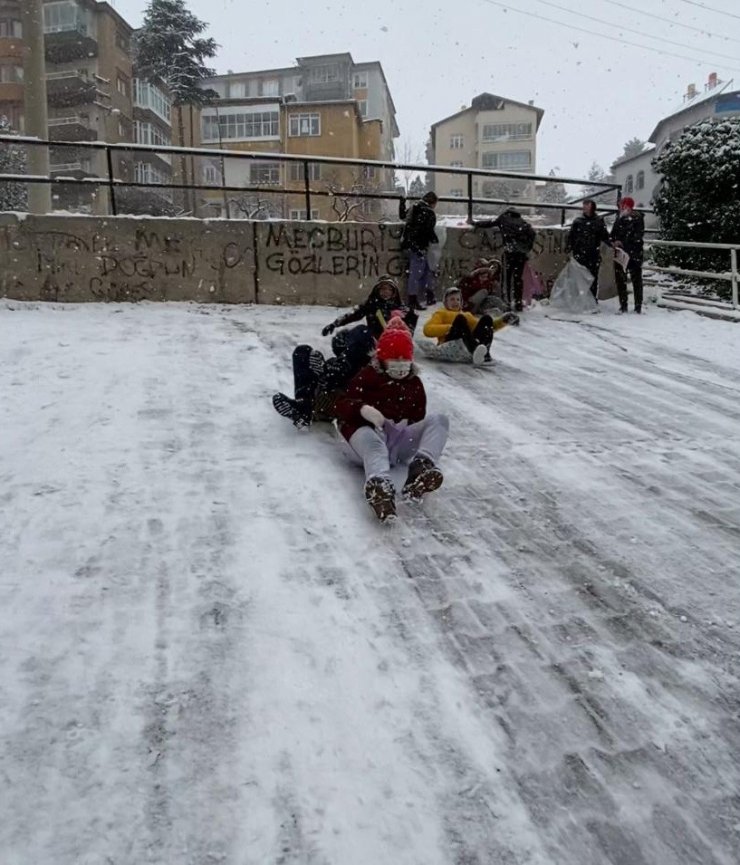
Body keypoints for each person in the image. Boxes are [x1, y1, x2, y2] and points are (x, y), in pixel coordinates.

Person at [334, 314, 449, 523]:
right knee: (374, 445)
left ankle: (421, 469)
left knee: (440, 419)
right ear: (382, 359)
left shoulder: (414, 384)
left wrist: (406, 430)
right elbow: (341, 404)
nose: (400, 364)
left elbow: (418, 416)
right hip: (364, 439)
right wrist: (362, 409)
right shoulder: (367, 376)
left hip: (396, 441)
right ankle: (380, 487)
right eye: (394, 359)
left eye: (404, 359)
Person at [272, 326, 375, 428]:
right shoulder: (355, 361)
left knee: (310, 357)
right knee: (306, 352)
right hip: (335, 391)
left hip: (338, 400)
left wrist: (326, 374)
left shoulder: (358, 364)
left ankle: (305, 406)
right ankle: (305, 403)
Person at [421, 286, 518, 365]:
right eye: (452, 299)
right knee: (460, 319)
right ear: (446, 302)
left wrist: (503, 321)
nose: (455, 302)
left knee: (486, 319)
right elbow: (427, 329)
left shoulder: (466, 315)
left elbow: (484, 328)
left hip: (466, 341)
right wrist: (449, 328)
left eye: (458, 299)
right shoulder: (441, 313)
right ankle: (475, 349)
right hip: (451, 340)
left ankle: (484, 353)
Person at [321, 276, 417, 340]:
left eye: (389, 289)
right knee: (358, 331)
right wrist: (335, 324)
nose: (386, 292)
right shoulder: (371, 305)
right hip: (373, 340)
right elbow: (353, 314)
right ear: (377, 290)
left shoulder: (401, 308)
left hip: (395, 341)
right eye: (383, 289)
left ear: (394, 292)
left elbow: (410, 325)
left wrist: (406, 335)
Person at [400, 191, 439, 310]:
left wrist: (402, 203)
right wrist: (435, 240)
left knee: (424, 270)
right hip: (419, 246)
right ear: (433, 203)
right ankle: (413, 300)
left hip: (409, 244)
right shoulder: (429, 212)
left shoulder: (414, 207)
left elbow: (402, 216)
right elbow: (428, 230)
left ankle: (428, 295)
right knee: (417, 273)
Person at [566, 199, 611, 300]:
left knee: (592, 278)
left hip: (593, 254)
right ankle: (580, 300)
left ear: (592, 207)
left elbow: (604, 236)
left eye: (587, 205)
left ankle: (591, 300)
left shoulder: (598, 221)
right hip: (580, 254)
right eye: (584, 205)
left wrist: (612, 244)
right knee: (579, 278)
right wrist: (569, 249)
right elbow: (571, 237)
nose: (584, 207)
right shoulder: (578, 221)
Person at [611, 196, 646, 314]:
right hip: (622, 254)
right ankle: (623, 304)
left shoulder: (637, 219)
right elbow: (613, 234)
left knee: (636, 280)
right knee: (620, 279)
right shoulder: (620, 219)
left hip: (633, 253)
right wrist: (614, 241)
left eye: (623, 205)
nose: (621, 208)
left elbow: (637, 237)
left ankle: (637, 306)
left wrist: (623, 243)